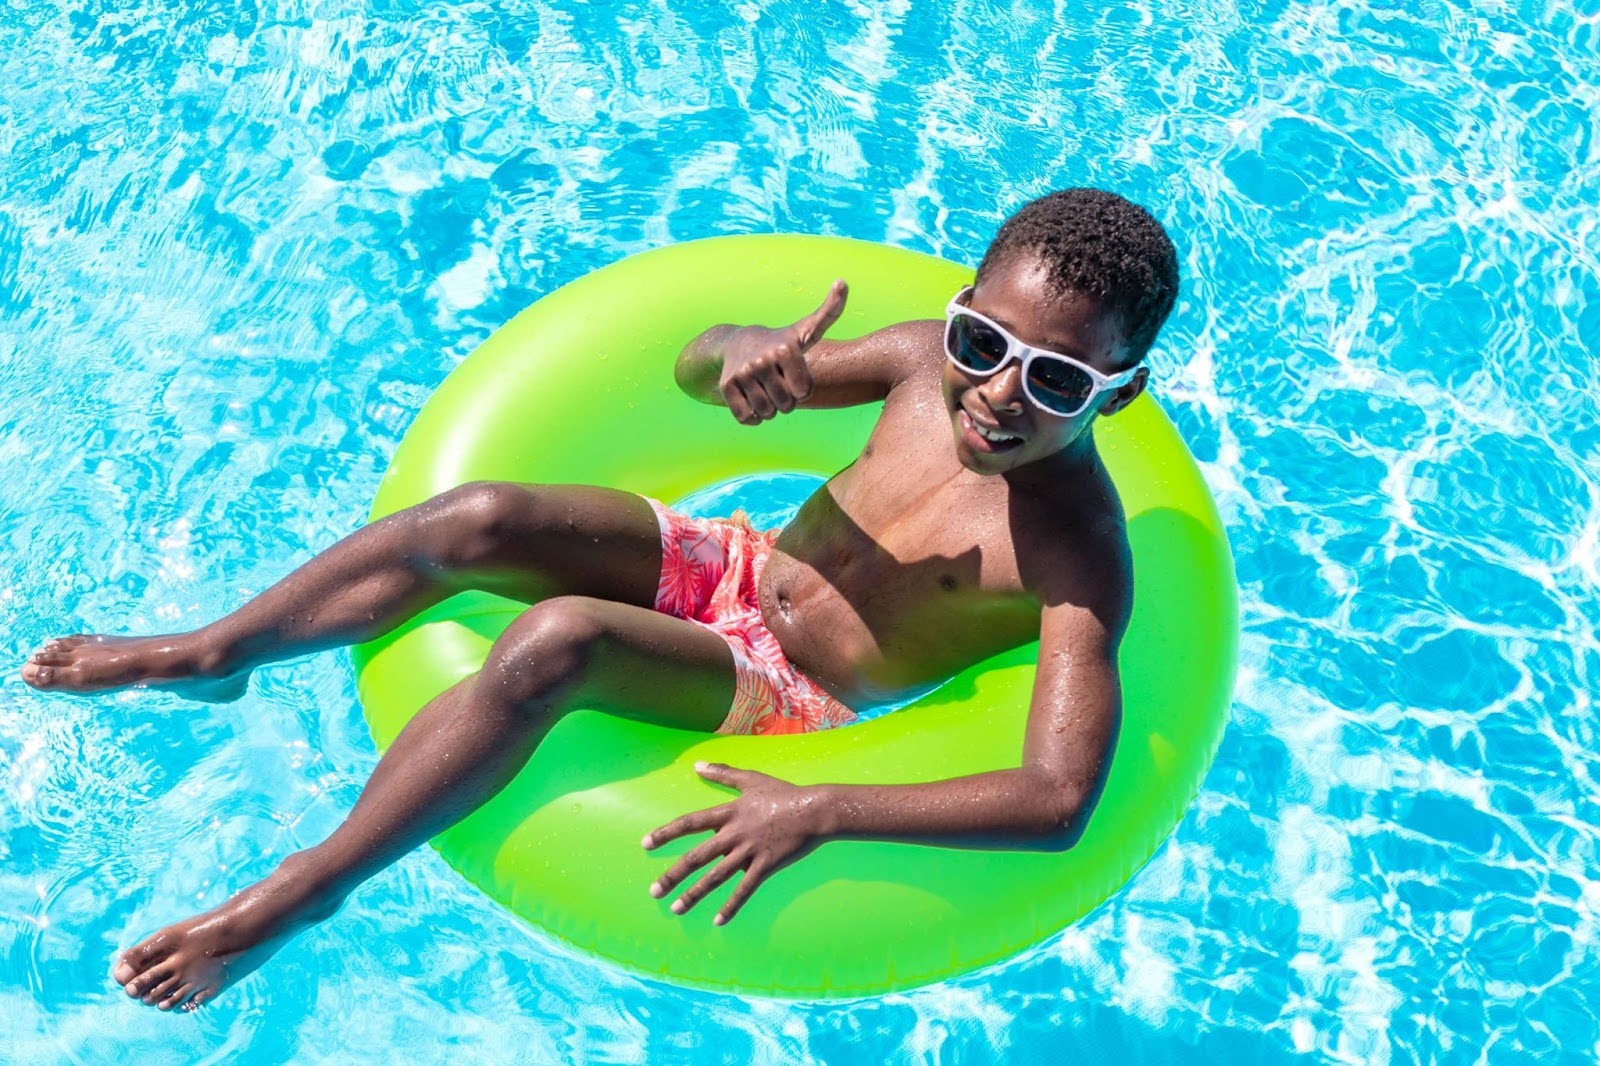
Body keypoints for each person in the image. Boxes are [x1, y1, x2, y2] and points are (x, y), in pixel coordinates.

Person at [20, 188, 1178, 1011]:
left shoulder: (1077, 553)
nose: (999, 391)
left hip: (790, 688)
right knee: (476, 517)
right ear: (963, 306)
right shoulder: (922, 361)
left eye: (1059, 378)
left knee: (558, 640)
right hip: (735, 560)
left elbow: (1056, 795)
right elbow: (693, 366)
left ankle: (298, 892)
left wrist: (821, 806)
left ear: (1117, 396)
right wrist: (746, 355)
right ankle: (218, 650)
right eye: (986, 340)